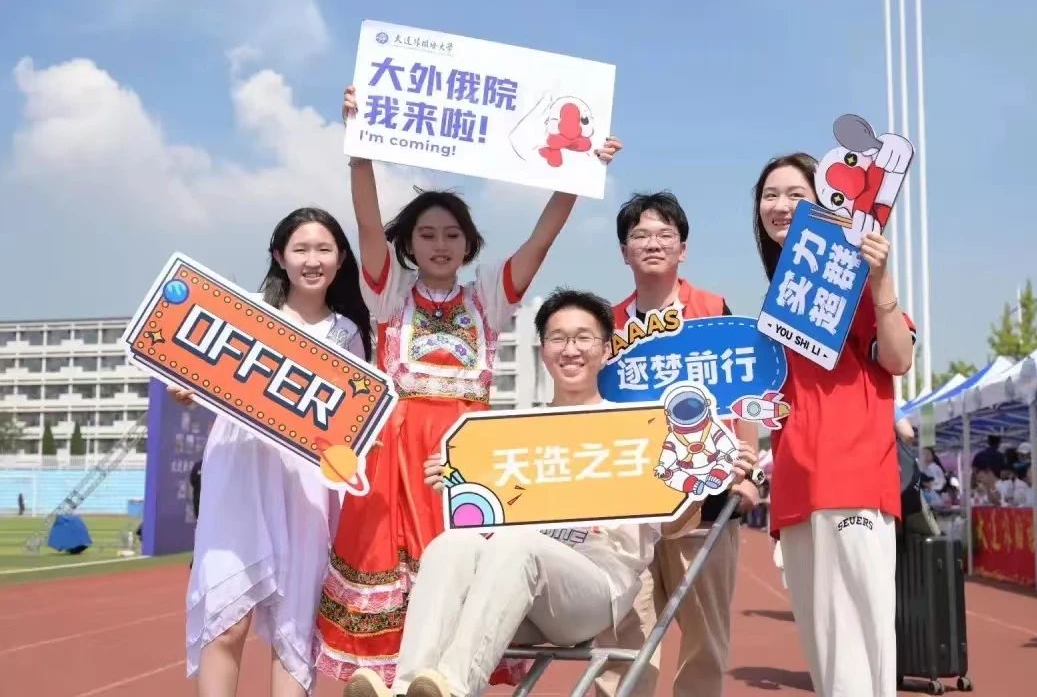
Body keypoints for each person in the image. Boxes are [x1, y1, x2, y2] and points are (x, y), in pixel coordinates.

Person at [314, 86, 622, 687]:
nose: (439, 245)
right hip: (396, 457)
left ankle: (447, 685)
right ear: (409, 244)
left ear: (469, 243)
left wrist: (578, 175)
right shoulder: (389, 294)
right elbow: (367, 222)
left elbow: (541, 240)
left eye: (452, 234)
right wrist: (359, 150)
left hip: (467, 460)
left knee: (467, 582)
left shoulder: (488, 298)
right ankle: (398, 685)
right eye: (427, 234)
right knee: (399, 590)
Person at [342, 288, 759, 697]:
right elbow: (483, 518)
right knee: (451, 544)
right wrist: (453, 485)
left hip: (593, 592)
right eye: (558, 338)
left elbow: (671, 526)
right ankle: (406, 687)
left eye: (583, 338)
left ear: (606, 350)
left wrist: (700, 483)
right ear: (543, 351)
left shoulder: (641, 428)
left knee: (519, 546)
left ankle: (453, 690)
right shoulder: (512, 433)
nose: (570, 349)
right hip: (518, 592)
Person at [176, 207, 373, 697]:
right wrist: (187, 386)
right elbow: (199, 369)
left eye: (324, 249)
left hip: (307, 485)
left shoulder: (348, 333)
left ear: (341, 259)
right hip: (239, 468)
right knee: (227, 621)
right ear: (279, 257)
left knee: (294, 631)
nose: (312, 260)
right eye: (300, 249)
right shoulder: (245, 314)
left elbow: (354, 421)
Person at [753, 153, 916, 697]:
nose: (780, 205)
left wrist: (881, 279)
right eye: (770, 195)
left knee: (861, 648)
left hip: (852, 480)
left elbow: (899, 358)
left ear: (824, 203)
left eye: (795, 195)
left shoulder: (853, 277)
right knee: (825, 650)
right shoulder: (779, 299)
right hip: (796, 488)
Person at [592, 191, 761, 697]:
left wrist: (749, 474)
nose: (653, 243)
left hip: (705, 499)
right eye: (640, 235)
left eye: (665, 234)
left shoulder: (713, 310)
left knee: (705, 639)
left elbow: (746, 392)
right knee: (624, 634)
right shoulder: (606, 324)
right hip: (629, 504)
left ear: (682, 249)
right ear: (623, 251)